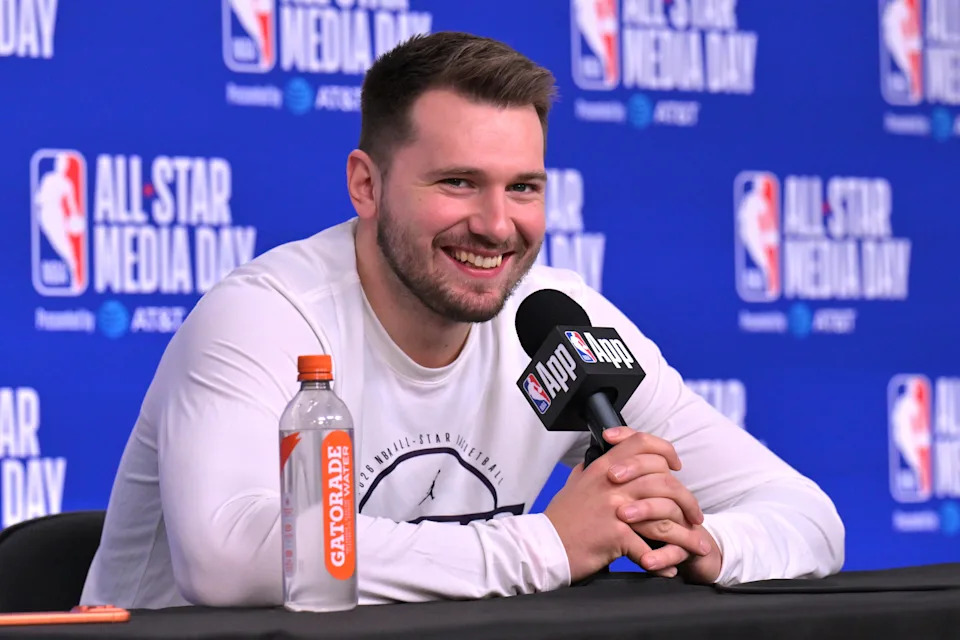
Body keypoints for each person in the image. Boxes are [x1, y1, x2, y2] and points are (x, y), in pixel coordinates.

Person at [80, 31, 844, 608]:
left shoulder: (561, 323)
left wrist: (708, 542)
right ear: (365, 184)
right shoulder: (264, 315)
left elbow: (809, 517)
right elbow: (226, 554)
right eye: (457, 182)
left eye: (523, 187)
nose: (496, 224)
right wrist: (545, 544)